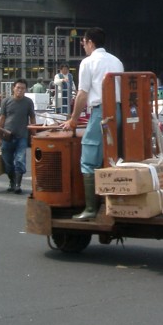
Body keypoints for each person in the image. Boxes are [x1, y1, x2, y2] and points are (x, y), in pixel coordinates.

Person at [62, 27, 124, 219]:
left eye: (83, 43)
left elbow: (82, 94)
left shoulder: (88, 63)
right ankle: (112, 204)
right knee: (112, 158)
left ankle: (90, 209)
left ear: (90, 42)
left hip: (101, 113)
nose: (83, 46)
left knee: (88, 160)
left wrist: (72, 120)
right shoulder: (117, 61)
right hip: (119, 112)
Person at [0, 79, 37, 194]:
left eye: (22, 88)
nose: (20, 90)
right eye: (18, 87)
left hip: (22, 136)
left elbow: (32, 118)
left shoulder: (28, 102)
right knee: (7, 162)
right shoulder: (6, 101)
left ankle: (18, 185)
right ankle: (12, 181)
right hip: (6, 136)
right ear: (13, 88)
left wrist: (34, 135)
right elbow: (2, 118)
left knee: (20, 160)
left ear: (25, 90)